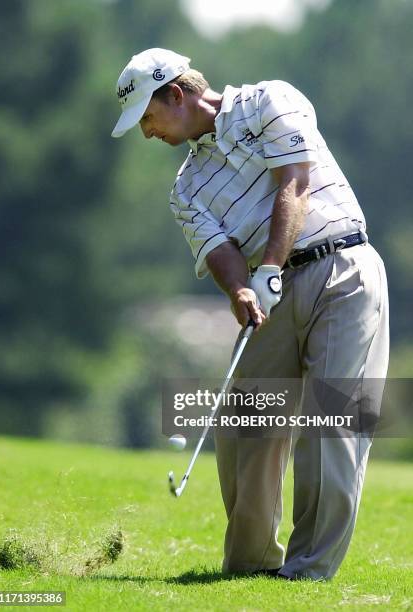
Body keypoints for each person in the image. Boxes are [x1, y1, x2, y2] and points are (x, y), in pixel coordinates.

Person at [111, 48, 389, 580]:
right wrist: (242, 288)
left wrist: (270, 266)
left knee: (333, 426)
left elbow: (296, 183)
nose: (147, 133)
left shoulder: (270, 100)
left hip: (343, 270)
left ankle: (307, 570)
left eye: (147, 117)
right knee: (247, 427)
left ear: (177, 93)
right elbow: (218, 249)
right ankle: (250, 567)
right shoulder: (185, 188)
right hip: (269, 294)